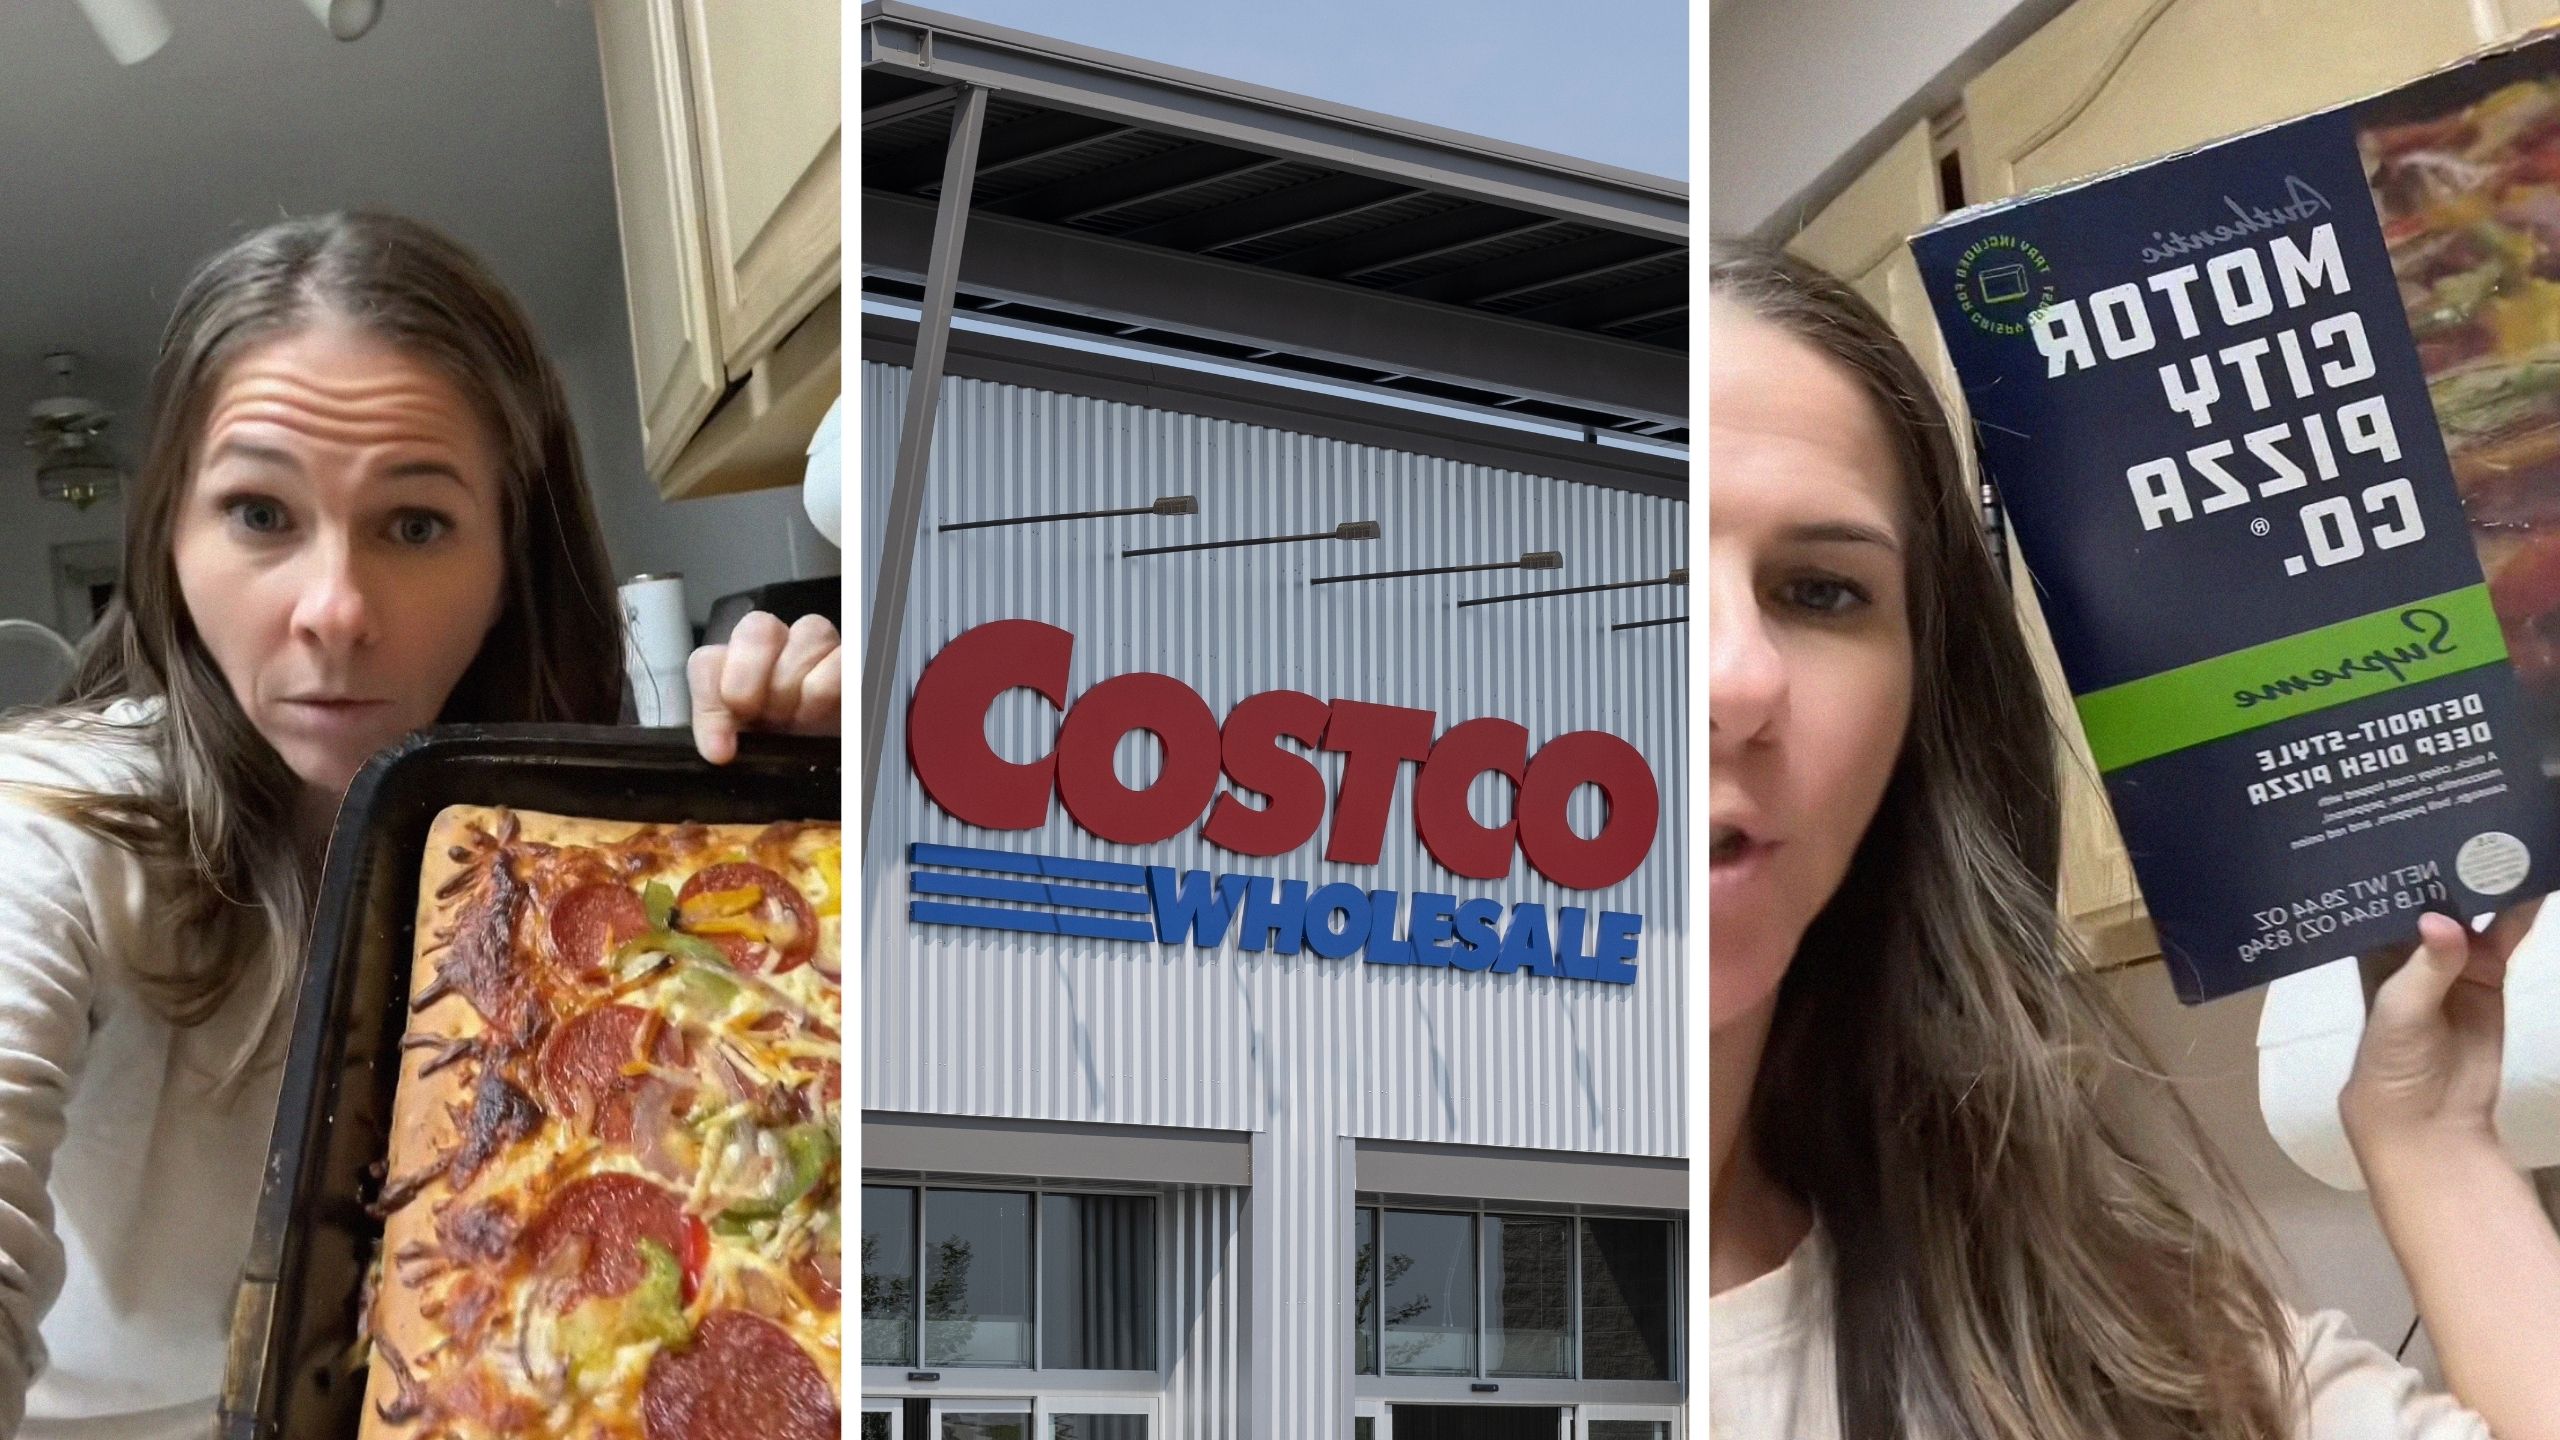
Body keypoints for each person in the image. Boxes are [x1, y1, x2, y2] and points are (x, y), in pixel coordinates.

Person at [0, 213, 840, 1438]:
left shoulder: (567, 850)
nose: (334, 610)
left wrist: (818, 814)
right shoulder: (55, 828)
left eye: (414, 524)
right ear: (166, 540)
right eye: (259, 514)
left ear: (511, 558)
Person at [1708, 241, 2560, 1440]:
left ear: (1917, 716)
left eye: (1818, 591)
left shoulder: (2104, 1340)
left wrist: (2435, 1138)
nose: (1735, 675)